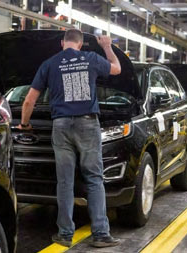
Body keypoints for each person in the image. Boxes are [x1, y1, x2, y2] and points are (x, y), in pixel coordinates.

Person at [17, 29, 122, 248]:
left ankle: (64, 234)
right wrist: (106, 46)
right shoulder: (91, 59)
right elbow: (117, 69)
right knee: (94, 178)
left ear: (62, 43)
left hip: (61, 124)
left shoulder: (49, 64)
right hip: (87, 123)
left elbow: (29, 100)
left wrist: (25, 124)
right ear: (82, 44)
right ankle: (101, 235)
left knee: (64, 181)